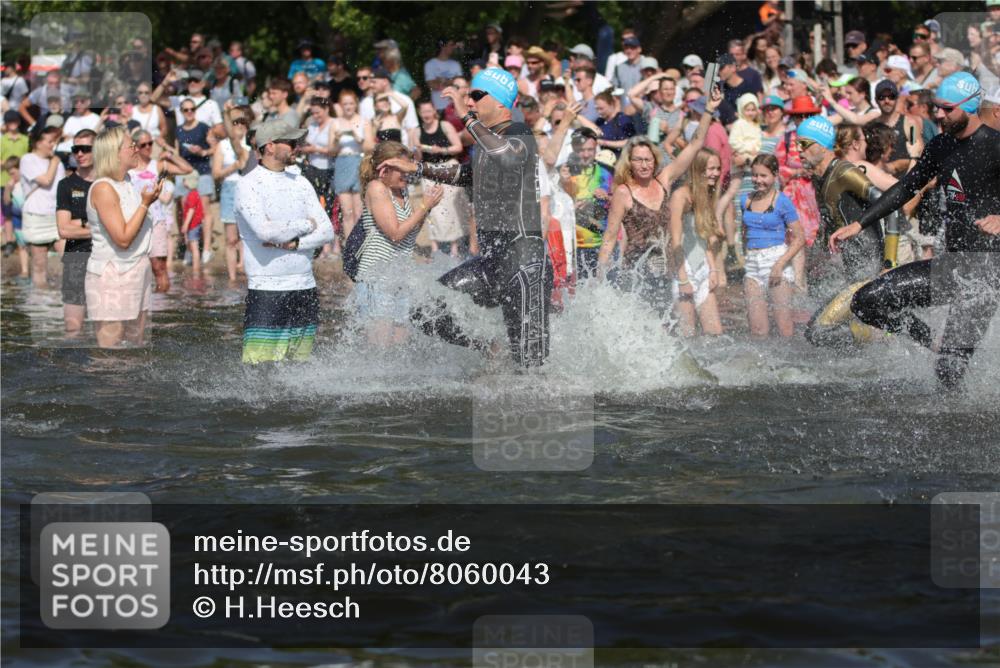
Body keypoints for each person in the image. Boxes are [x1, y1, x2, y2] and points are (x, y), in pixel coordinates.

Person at [829, 73, 1000, 387]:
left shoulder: (995, 146)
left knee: (948, 377)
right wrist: (859, 223)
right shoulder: (941, 145)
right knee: (867, 302)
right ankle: (936, 342)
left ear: (970, 106)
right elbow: (908, 186)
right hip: (951, 267)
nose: (938, 115)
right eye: (936, 107)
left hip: (987, 274)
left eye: (947, 109)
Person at [378, 68, 553, 368]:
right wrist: (416, 169)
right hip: (492, 263)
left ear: (500, 103)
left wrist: (467, 119)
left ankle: (539, 406)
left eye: (475, 95)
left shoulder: (519, 133)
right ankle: (489, 348)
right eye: (468, 97)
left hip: (525, 264)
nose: (468, 102)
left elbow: (508, 158)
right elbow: (467, 174)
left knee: (529, 366)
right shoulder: (486, 144)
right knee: (427, 312)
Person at [793, 115, 902, 349]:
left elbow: (891, 207)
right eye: (796, 144)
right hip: (852, 270)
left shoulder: (844, 172)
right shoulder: (819, 178)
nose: (798, 150)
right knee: (820, 332)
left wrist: (889, 262)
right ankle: (874, 357)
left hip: (869, 270)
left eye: (804, 144)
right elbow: (829, 224)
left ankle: (884, 344)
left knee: (818, 332)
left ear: (821, 145)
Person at [234, 119, 334, 364]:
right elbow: (266, 232)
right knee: (259, 366)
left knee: (299, 365)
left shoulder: (300, 182)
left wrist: (295, 244)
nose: (296, 147)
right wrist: (306, 224)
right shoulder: (248, 185)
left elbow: (328, 231)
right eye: (290, 143)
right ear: (270, 147)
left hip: (304, 286)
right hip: (267, 288)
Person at [355, 141, 444, 344]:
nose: (406, 174)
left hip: (399, 275)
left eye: (407, 169)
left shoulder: (400, 191)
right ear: (384, 169)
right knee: (380, 347)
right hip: (377, 277)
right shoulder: (377, 188)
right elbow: (395, 233)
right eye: (401, 169)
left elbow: (409, 234)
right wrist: (423, 206)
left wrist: (428, 207)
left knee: (400, 346)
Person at [85, 126, 162, 347]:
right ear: (115, 152)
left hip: (136, 269)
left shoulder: (127, 181)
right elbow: (123, 238)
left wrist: (147, 201)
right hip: (112, 274)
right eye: (132, 146)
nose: (137, 149)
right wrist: (146, 204)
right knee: (111, 357)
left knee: (134, 348)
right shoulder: (103, 188)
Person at [733, 154, 804, 337]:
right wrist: (745, 255)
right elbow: (744, 231)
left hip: (776, 260)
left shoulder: (783, 202)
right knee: (757, 329)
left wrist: (780, 264)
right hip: (753, 264)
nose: (758, 180)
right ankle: (760, 365)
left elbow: (799, 238)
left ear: (774, 175)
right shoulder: (745, 200)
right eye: (754, 175)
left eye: (763, 176)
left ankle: (790, 364)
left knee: (784, 326)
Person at [669, 148, 725, 336]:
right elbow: (674, 241)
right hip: (683, 269)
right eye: (710, 169)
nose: (715, 174)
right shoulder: (681, 196)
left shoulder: (706, 194)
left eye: (718, 169)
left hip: (702, 268)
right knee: (688, 334)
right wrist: (683, 278)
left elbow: (704, 236)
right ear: (697, 169)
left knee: (715, 333)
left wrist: (713, 269)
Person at [130, 129, 192, 291]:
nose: (148, 147)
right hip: (134, 221)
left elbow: (187, 169)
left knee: (159, 267)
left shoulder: (157, 165)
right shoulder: (128, 169)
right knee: (136, 269)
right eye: (144, 145)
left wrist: (170, 154)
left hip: (156, 221)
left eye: (150, 143)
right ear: (135, 147)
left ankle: (162, 305)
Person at [775, 96, 823, 290]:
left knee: (816, 239)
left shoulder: (821, 139)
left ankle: (812, 284)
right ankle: (799, 284)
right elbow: (776, 170)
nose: (803, 118)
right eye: (799, 116)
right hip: (792, 197)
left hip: (814, 196)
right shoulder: (786, 139)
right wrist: (797, 172)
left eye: (807, 115)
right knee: (797, 238)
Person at [56, 130, 96, 336]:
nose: (79, 153)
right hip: (75, 260)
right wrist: (98, 227)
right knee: (72, 329)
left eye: (85, 149)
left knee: (106, 327)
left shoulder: (107, 183)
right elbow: (63, 229)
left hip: (104, 260)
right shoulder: (66, 185)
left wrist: (80, 224)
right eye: (75, 149)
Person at [416, 99, 466, 257]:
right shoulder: (416, 132)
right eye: (423, 112)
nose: (426, 115)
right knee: (431, 208)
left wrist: (442, 150)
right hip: (429, 170)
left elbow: (458, 147)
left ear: (434, 111)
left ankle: (454, 246)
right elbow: (417, 158)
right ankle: (435, 246)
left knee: (451, 206)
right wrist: (416, 150)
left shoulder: (445, 126)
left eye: (429, 111)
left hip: (448, 167)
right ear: (419, 113)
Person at [19, 126, 66, 287]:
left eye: (54, 141)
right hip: (36, 215)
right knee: (39, 263)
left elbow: (61, 187)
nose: (53, 144)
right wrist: (54, 161)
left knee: (69, 258)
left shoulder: (57, 163)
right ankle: (40, 303)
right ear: (38, 143)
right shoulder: (27, 159)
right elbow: (45, 180)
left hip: (58, 215)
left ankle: (68, 297)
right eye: (49, 141)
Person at [173, 97, 215, 266]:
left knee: (204, 210)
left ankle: (206, 249)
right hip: (184, 172)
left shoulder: (204, 127)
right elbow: (177, 152)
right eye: (186, 110)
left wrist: (203, 152)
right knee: (184, 210)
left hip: (202, 169)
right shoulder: (178, 130)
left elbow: (214, 147)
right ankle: (191, 248)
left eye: (192, 109)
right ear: (182, 112)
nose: (189, 112)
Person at [213, 107, 251, 282]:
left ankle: (244, 268)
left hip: (247, 189)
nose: (240, 126)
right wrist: (233, 167)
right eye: (236, 123)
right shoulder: (223, 145)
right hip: (229, 189)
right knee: (231, 238)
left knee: (247, 234)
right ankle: (232, 277)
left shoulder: (250, 144)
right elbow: (216, 173)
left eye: (243, 123)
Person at [2, 156, 31, 280]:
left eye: (13, 173)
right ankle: (24, 270)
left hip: (29, 217)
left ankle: (35, 268)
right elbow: (6, 202)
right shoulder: (11, 184)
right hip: (17, 217)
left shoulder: (28, 182)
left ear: (20, 169)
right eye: (9, 174)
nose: (11, 176)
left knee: (33, 244)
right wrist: (8, 189)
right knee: (21, 245)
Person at [425, 39, 463, 111]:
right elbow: (432, 85)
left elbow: (460, 84)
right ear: (443, 46)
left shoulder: (456, 64)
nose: (454, 47)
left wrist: (440, 80)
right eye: (451, 45)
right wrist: (452, 80)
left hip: (455, 106)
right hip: (438, 107)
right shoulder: (430, 64)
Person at [594, 91, 636, 155]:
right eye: (597, 109)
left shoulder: (623, 119)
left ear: (611, 104)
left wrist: (603, 142)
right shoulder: (599, 121)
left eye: (601, 108)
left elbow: (630, 141)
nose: (599, 112)